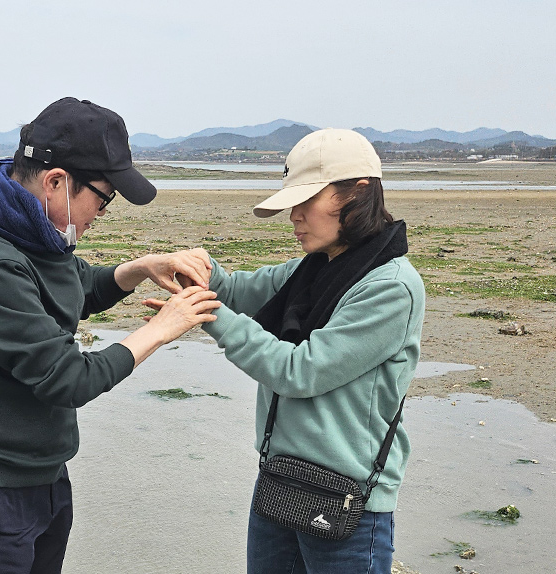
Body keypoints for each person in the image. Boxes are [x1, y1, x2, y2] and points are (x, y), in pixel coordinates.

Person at [0, 97, 220, 574]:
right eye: (103, 198)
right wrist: (161, 330)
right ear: (57, 181)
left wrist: (142, 268)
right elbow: (67, 380)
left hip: (43, 473)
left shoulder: (31, 229)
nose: (103, 212)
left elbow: (79, 287)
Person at [152, 128, 425, 573]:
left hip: (347, 500)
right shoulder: (316, 266)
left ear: (357, 193)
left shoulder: (390, 288)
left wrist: (207, 312)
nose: (293, 217)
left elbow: (301, 372)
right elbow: (243, 291)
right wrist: (201, 270)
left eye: (304, 203)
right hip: (281, 480)